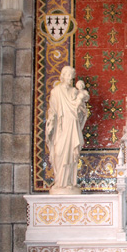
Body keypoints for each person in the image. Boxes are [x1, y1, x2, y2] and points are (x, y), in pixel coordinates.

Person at [45, 65, 88, 194]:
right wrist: (51, 122)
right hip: (61, 126)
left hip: (72, 124)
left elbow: (81, 111)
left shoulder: (75, 92)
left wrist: (80, 108)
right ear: (62, 76)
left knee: (71, 153)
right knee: (59, 152)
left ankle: (69, 182)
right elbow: (52, 110)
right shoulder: (56, 92)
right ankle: (59, 182)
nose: (71, 78)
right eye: (68, 75)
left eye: (72, 76)